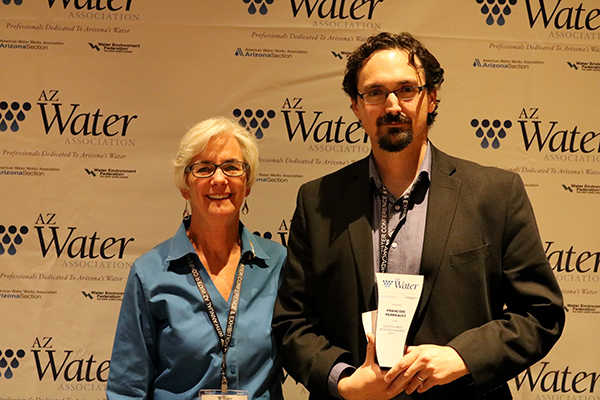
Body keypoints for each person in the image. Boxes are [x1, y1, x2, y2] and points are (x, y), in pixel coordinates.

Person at [272, 32, 565, 400]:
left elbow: (540, 313)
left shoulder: (495, 193)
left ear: (431, 98)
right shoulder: (318, 201)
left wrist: (462, 357)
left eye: (407, 89)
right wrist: (343, 380)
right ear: (355, 106)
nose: (392, 105)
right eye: (375, 93)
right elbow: (292, 322)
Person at [107, 117, 286, 400]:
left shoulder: (279, 265)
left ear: (247, 183)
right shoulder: (149, 273)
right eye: (203, 168)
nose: (219, 179)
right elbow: (127, 389)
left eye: (231, 167)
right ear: (184, 186)